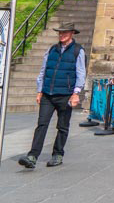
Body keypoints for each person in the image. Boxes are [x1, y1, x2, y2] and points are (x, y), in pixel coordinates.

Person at [18, 22, 85, 169]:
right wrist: (39, 90)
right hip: (48, 94)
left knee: (62, 126)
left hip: (66, 95)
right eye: (60, 33)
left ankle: (57, 154)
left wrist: (76, 93)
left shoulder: (78, 51)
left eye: (65, 33)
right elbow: (43, 70)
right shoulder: (52, 50)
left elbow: (80, 73)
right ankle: (33, 156)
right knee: (42, 124)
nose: (62, 35)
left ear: (72, 33)